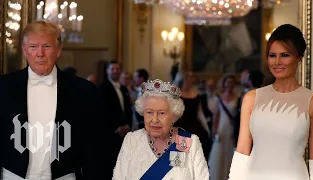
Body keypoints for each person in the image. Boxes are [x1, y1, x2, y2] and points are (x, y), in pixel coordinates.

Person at [0, 21, 97, 179]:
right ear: (24, 50)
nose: (40, 53)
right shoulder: (3, 87)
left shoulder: (83, 91)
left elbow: (93, 147)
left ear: (58, 50)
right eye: (33, 47)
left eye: (47, 46)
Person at [228, 24, 313, 180]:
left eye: (285, 55)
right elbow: (243, 149)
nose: (277, 62)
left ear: (299, 58)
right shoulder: (251, 98)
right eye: (272, 55)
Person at [113, 79, 209, 180]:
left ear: (173, 116)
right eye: (149, 112)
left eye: (162, 113)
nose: (154, 120)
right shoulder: (131, 140)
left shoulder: (190, 142)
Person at [97, 60, 132, 179]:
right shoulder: (102, 89)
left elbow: (128, 110)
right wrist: (116, 128)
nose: (115, 71)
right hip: (110, 134)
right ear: (107, 71)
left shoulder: (124, 89)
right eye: (113, 69)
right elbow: (102, 113)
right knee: (110, 166)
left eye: (117, 69)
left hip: (124, 134)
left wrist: (127, 126)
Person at [208, 74, 239, 180]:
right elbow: (216, 115)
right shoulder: (219, 97)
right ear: (224, 83)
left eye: (232, 82)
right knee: (219, 154)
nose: (229, 84)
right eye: (228, 82)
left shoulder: (237, 98)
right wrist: (214, 130)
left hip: (231, 130)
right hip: (221, 129)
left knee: (230, 154)